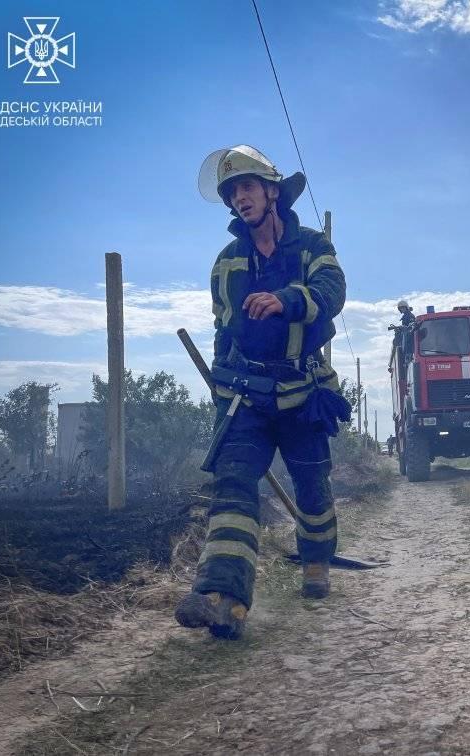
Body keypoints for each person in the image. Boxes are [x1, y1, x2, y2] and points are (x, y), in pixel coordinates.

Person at [175, 145, 348, 640]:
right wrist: (220, 390)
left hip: (302, 393)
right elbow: (223, 329)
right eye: (231, 192)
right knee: (232, 486)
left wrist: (287, 300)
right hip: (244, 396)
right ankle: (222, 597)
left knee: (312, 487)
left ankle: (315, 562)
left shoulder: (314, 247)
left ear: (272, 191)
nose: (239, 197)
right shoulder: (226, 263)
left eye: (247, 186)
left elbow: (332, 293)